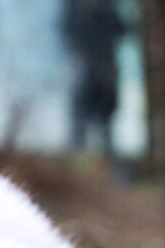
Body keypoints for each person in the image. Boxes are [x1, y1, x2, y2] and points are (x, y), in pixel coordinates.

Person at [64, 0, 125, 158]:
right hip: (85, 77)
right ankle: (76, 166)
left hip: (104, 78)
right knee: (80, 127)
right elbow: (69, 34)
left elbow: (122, 30)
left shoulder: (108, 11)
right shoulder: (76, 10)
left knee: (105, 128)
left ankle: (109, 167)